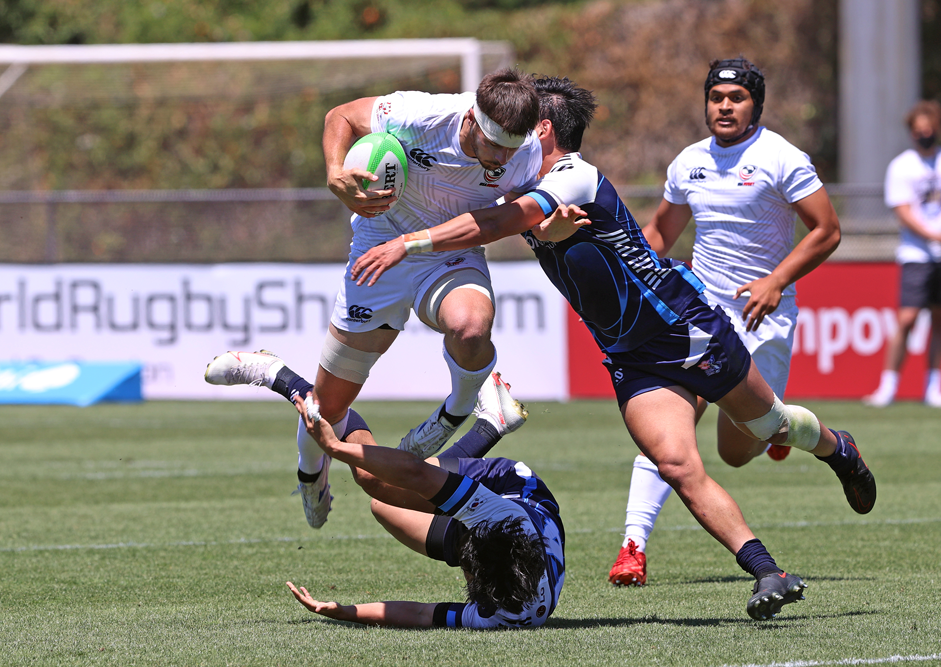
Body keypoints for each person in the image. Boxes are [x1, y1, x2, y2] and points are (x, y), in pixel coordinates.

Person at [349, 74, 876, 620]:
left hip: (687, 330)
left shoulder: (573, 175)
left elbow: (502, 221)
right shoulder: (515, 180)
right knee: (675, 463)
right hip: (630, 356)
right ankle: (767, 570)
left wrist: (408, 242)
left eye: (523, 130)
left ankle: (838, 449)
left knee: (770, 428)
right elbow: (499, 206)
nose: (510, 141)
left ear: (544, 129)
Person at [226, 68, 544, 530]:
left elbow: (522, 213)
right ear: (473, 118)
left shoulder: (525, 152)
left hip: (450, 253)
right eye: (493, 144)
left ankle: (459, 410)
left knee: (471, 327)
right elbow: (341, 116)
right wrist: (336, 174)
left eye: (510, 149)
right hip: (379, 243)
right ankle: (310, 474)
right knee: (329, 406)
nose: (500, 158)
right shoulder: (422, 115)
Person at [606, 58, 843, 587]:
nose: (725, 106)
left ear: (756, 103)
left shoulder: (782, 158)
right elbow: (660, 233)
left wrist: (775, 281)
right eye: (717, 97)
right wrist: (619, 272)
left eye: (736, 97)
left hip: (764, 318)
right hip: (698, 314)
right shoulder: (688, 162)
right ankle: (632, 546)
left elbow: (827, 230)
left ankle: (790, 430)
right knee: (669, 432)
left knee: (737, 453)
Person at [206, 350, 564, 629]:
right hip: (515, 490)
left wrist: (347, 612)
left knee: (382, 505)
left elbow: (424, 616)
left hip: (506, 539)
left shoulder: (497, 613)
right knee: (372, 478)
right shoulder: (499, 516)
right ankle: (277, 375)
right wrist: (334, 448)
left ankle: (492, 423)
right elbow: (411, 471)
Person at [863, 100, 941, 408]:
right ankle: (888, 385)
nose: (925, 134)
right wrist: (934, 235)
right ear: (911, 132)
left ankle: (934, 386)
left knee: (939, 320)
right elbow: (904, 211)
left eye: (930, 128)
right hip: (917, 255)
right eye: (919, 129)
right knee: (907, 319)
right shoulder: (902, 166)